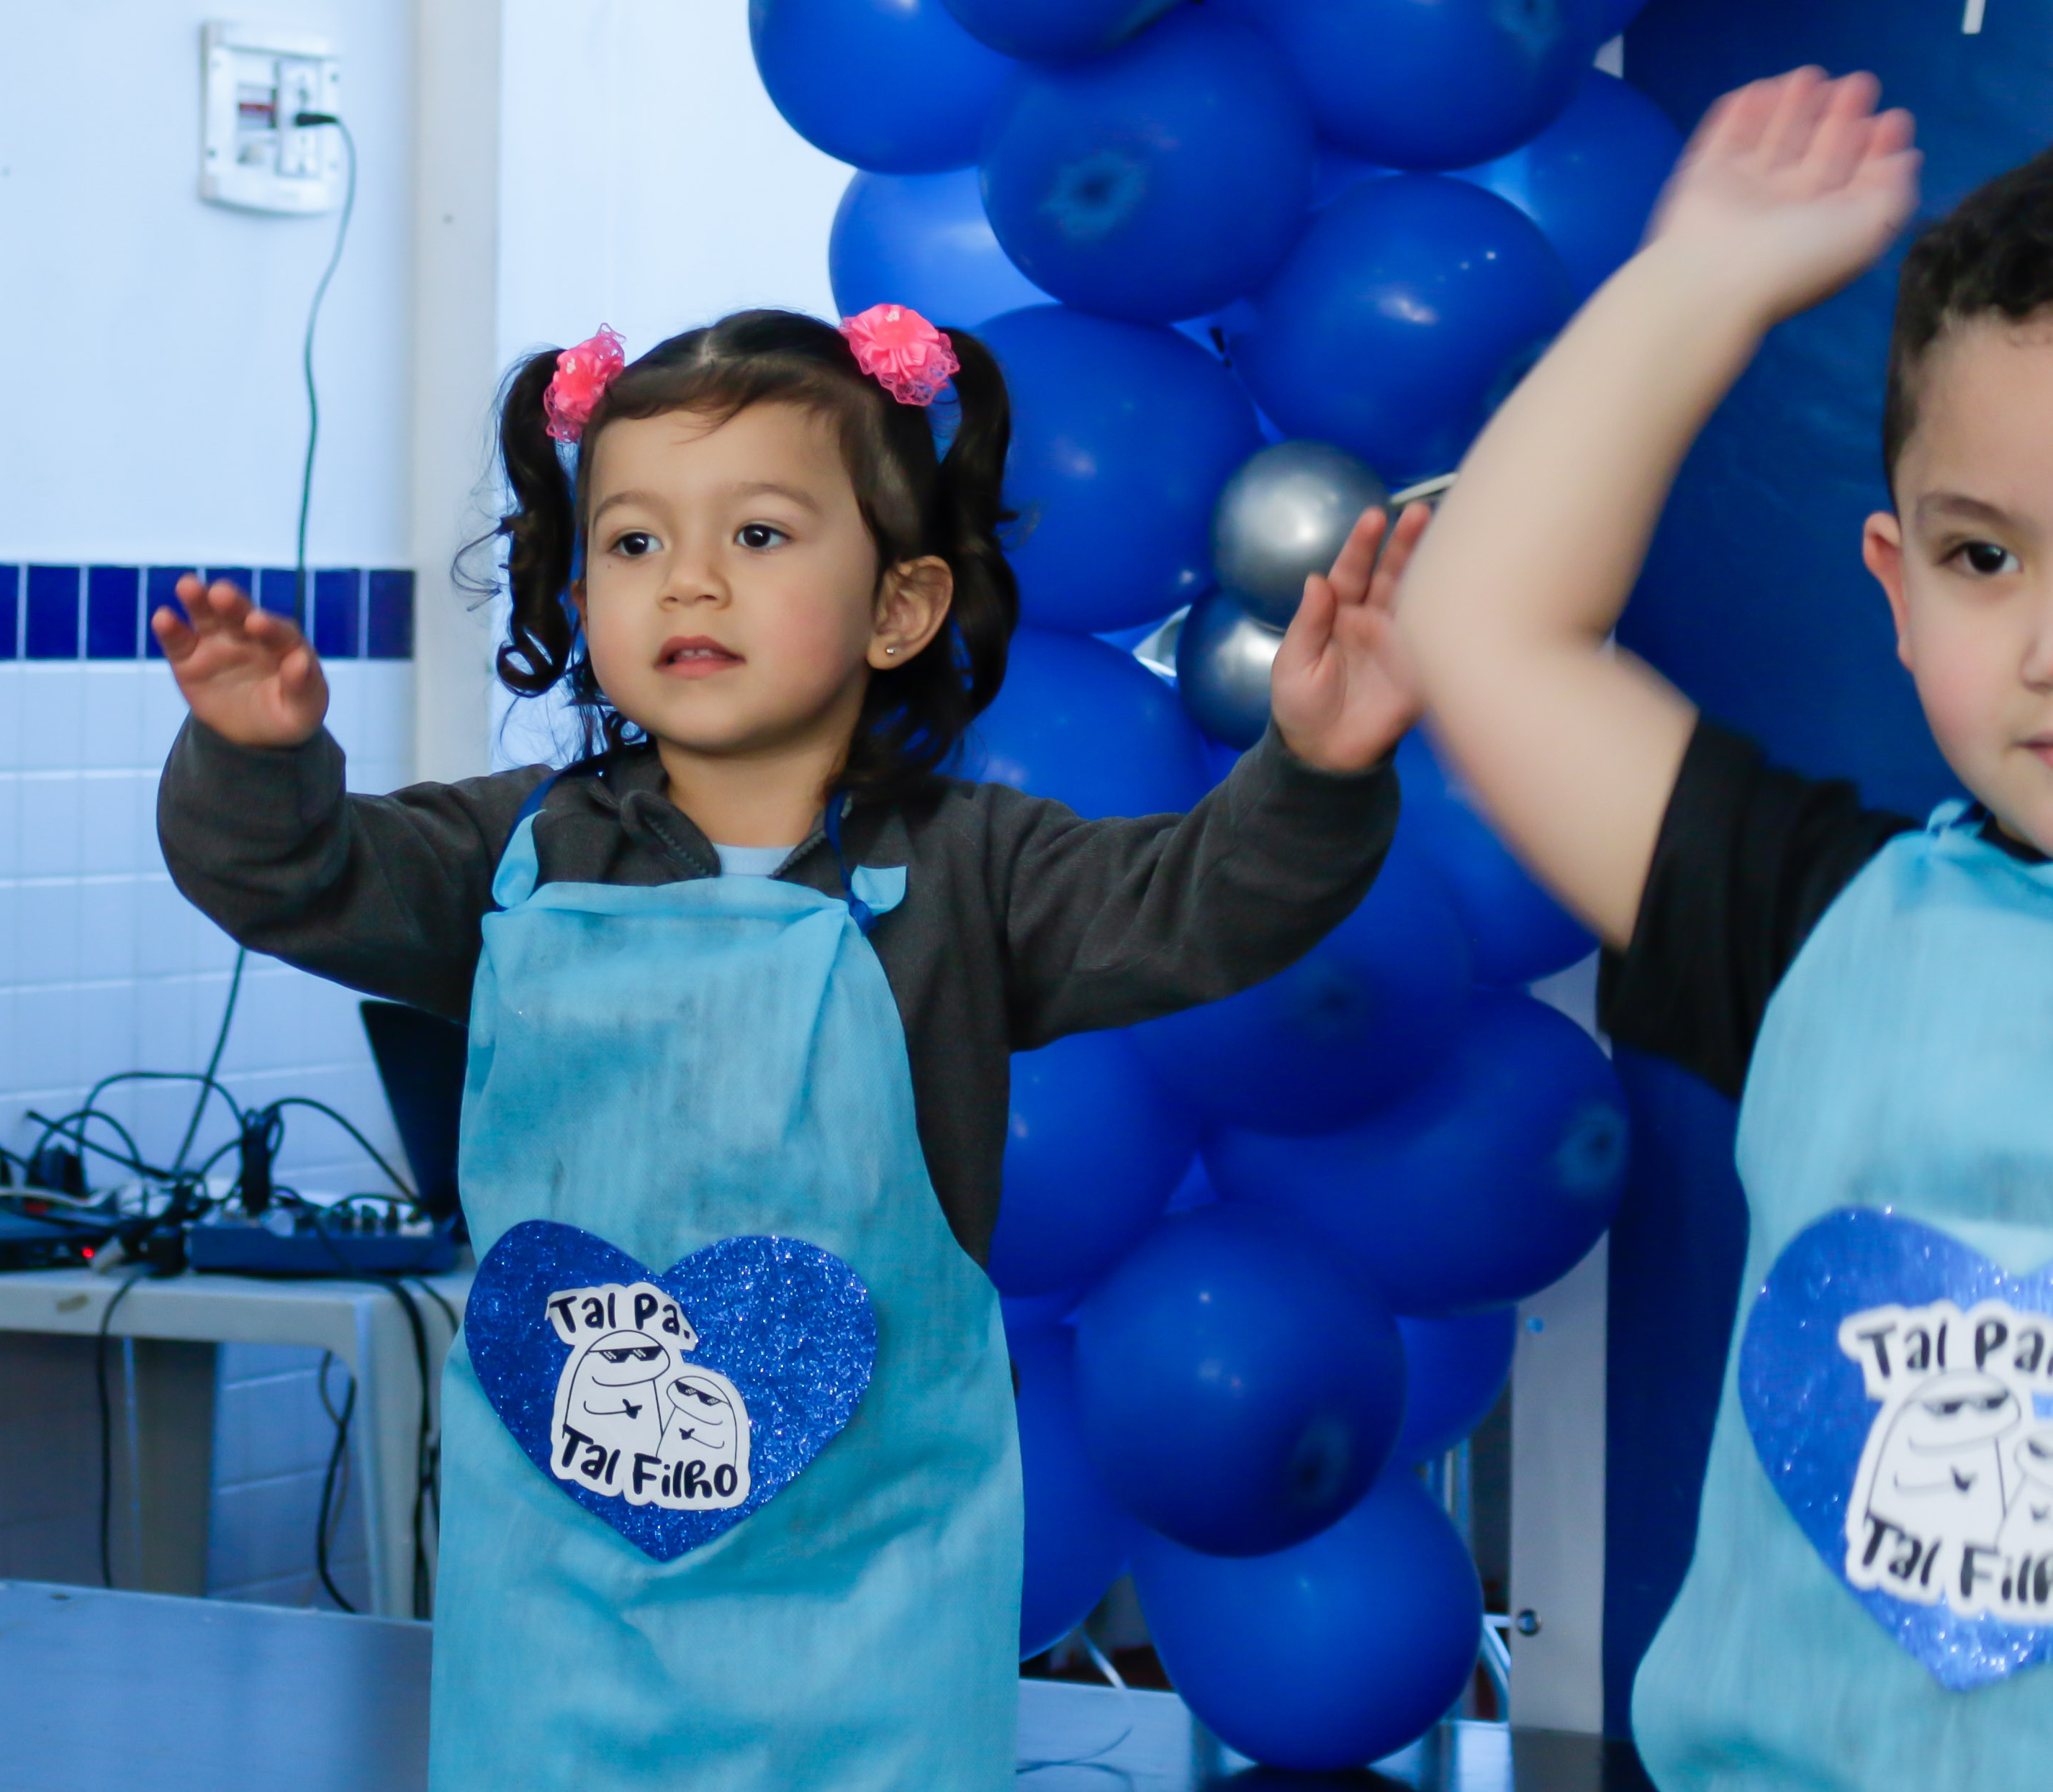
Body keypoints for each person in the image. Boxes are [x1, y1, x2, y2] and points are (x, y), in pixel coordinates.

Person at [155, 304, 1425, 1790]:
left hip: (869, 1611)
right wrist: (257, 763)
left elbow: (1198, 908)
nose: (687, 578)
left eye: (757, 535)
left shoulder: (974, 876)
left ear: (899, 606)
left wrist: (1313, 773)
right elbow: (289, 875)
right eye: (632, 541)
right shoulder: (504, 858)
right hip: (561, 1622)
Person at [1402, 65, 2053, 1790]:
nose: (2045, 649)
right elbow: (1484, 625)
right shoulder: (1821, 918)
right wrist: (1696, 280)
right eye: (1984, 560)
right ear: (1892, 583)